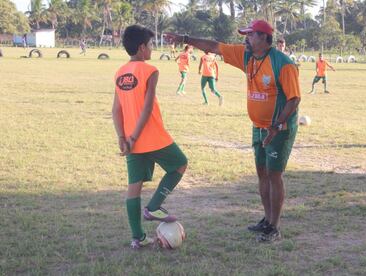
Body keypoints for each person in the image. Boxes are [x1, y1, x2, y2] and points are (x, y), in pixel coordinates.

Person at [165, 19, 301, 242]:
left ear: (264, 38)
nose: (245, 39)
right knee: (262, 173)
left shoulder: (283, 64)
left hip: (279, 129)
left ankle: (274, 226)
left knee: (274, 175)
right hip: (258, 127)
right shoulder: (247, 55)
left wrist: (276, 126)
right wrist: (185, 39)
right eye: (246, 35)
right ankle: (266, 220)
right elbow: (214, 46)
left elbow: (294, 98)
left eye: (250, 35)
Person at [112, 25, 188, 250]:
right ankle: (154, 206)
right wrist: (135, 135)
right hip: (151, 136)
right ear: (142, 47)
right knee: (180, 165)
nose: (152, 49)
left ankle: (138, 238)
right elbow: (146, 108)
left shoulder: (120, 72)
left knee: (133, 188)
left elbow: (116, 109)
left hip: (130, 140)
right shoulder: (150, 70)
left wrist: (122, 137)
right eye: (151, 45)